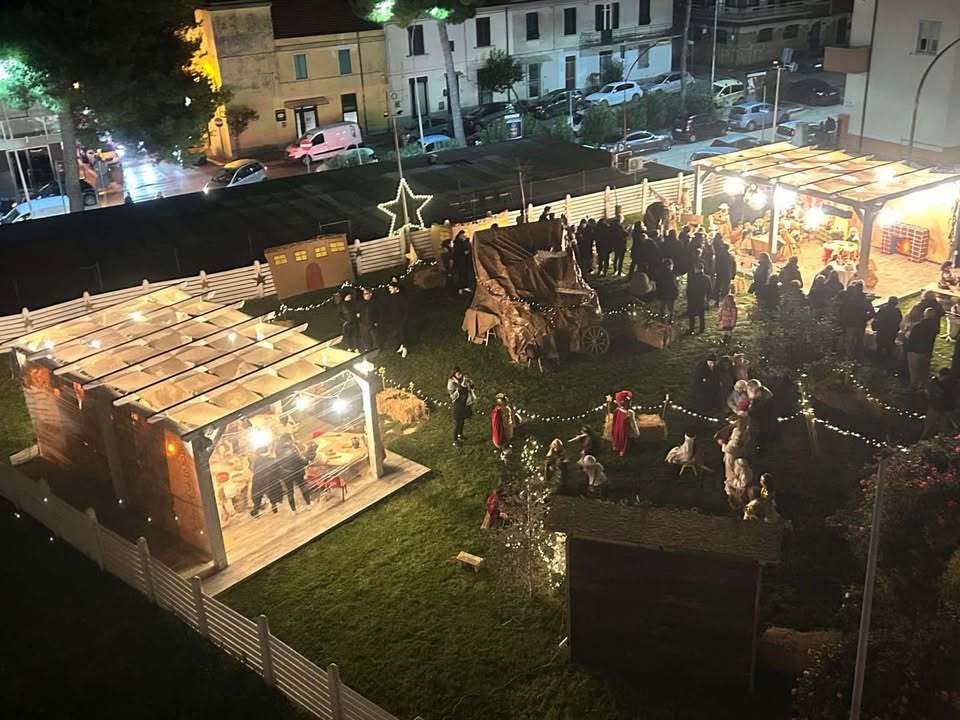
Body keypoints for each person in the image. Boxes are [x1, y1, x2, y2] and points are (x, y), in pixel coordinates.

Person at [835, 281, 875, 360]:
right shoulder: (860, 300)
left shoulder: (855, 300)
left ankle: (851, 358)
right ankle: (855, 358)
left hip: (853, 324)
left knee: (852, 342)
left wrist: (865, 318)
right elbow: (872, 313)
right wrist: (865, 318)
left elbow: (844, 311)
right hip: (856, 324)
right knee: (856, 342)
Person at [905, 307, 939, 391]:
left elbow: (911, 339)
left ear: (924, 314)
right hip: (927, 351)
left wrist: (907, 348)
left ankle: (913, 386)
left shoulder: (918, 326)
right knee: (924, 369)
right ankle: (923, 386)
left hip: (915, 351)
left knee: (914, 370)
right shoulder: (934, 326)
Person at [275, 433, 309, 512]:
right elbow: (299, 459)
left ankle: (293, 510)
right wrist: (307, 461)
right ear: (289, 439)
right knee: (303, 487)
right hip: (296, 471)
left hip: (285, 474)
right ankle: (308, 505)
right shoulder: (292, 448)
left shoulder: (277, 450)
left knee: (290, 492)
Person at [921, 368, 957, 439]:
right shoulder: (954, 383)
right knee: (941, 428)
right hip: (943, 408)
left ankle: (925, 439)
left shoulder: (934, 382)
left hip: (938, 408)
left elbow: (929, 395)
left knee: (931, 427)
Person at [447, 367, 475, 446]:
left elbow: (471, 387)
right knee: (457, 422)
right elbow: (457, 392)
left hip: (464, 403)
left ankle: (460, 435)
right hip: (457, 404)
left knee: (462, 421)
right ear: (454, 374)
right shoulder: (451, 382)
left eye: (461, 373)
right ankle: (455, 440)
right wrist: (463, 383)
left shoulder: (463, 379)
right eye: (458, 373)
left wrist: (469, 381)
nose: (460, 375)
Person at [250, 445, 281, 517]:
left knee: (257, 495)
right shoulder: (272, 459)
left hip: (258, 479)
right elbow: (277, 468)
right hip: (269, 478)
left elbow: (254, 470)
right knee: (271, 492)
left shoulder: (257, 461)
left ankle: (256, 509)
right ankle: (274, 505)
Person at [381, 281, 409, 357]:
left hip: (401, 318)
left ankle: (405, 348)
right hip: (393, 319)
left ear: (396, 288)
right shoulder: (391, 297)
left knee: (402, 333)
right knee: (397, 333)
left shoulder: (401, 297)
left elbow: (405, 308)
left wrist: (404, 318)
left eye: (391, 288)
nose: (389, 289)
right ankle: (401, 346)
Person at [746, 379, 776, 450]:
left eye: (749, 389)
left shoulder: (760, 394)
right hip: (766, 421)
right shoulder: (763, 392)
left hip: (763, 423)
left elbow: (757, 409)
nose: (748, 391)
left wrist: (748, 412)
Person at [872, 296, 902, 365]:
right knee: (889, 347)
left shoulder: (883, 309)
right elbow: (899, 321)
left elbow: (876, 318)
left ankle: (878, 361)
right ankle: (887, 361)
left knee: (880, 346)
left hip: (881, 331)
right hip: (891, 332)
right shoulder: (897, 311)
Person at [610, 390, 640, 457]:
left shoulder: (617, 410)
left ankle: (618, 447)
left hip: (619, 430)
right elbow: (633, 424)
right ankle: (626, 450)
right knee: (627, 440)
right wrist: (636, 432)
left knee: (621, 438)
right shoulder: (629, 413)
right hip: (625, 431)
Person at [686, 262, 712, 334]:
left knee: (692, 315)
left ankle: (691, 329)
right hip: (702, 298)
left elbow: (689, 289)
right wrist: (707, 299)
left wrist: (688, 297)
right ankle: (701, 329)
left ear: (696, 269)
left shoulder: (692, 277)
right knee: (701, 315)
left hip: (693, 298)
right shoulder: (707, 278)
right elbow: (709, 290)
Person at [653, 258, 679, 322]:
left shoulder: (659, 273)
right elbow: (673, 285)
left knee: (662, 307)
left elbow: (657, 283)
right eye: (672, 265)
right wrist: (676, 292)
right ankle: (670, 320)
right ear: (669, 265)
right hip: (670, 294)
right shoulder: (671, 274)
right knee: (670, 309)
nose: (672, 267)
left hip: (662, 293)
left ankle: (662, 320)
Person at [713, 242, 736, 306]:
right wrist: (733, 274)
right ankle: (719, 301)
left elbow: (734, 266)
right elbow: (734, 266)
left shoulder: (720, 256)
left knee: (722, 289)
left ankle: (722, 302)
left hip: (723, 274)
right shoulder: (730, 256)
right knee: (721, 288)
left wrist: (733, 274)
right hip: (724, 274)